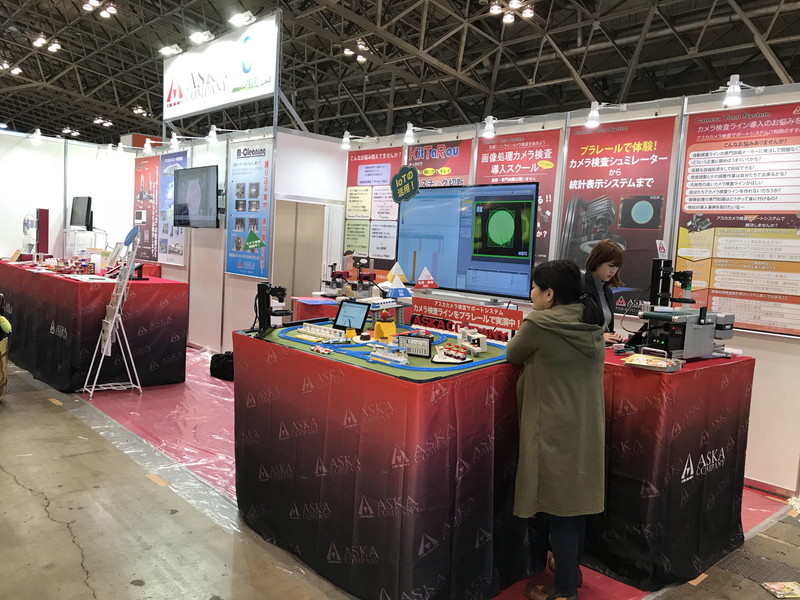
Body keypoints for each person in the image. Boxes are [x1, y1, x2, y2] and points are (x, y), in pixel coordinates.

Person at [505, 260, 605, 600]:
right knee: (575, 505)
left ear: (549, 294)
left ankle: (564, 591)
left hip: (552, 428)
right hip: (586, 426)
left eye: (534, 288)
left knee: (559, 510)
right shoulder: (591, 319)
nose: (531, 294)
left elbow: (512, 353)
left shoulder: (540, 324)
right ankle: (571, 573)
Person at [582, 239, 625, 344]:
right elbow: (571, 327)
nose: (614, 271)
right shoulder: (581, 286)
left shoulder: (608, 292)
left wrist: (613, 335)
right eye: (611, 265)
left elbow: (605, 327)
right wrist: (598, 337)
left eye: (617, 266)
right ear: (597, 262)